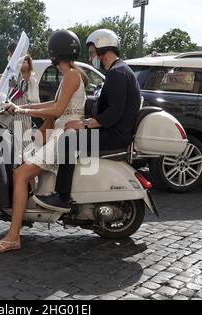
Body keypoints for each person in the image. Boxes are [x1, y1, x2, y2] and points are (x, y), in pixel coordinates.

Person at [0, 30, 88, 254]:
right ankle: (23, 212)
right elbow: (53, 103)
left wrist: (22, 109)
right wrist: (23, 108)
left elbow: (59, 110)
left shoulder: (71, 75)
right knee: (25, 160)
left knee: (20, 174)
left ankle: (13, 237)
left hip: (64, 137)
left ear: (54, 52)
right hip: (61, 134)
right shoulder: (70, 74)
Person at [34, 28, 142, 213]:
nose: (92, 57)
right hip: (115, 131)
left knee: (67, 140)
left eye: (92, 53)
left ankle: (62, 197)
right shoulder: (120, 71)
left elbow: (113, 113)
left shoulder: (117, 73)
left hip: (114, 135)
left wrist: (84, 124)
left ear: (103, 49)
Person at [9, 54, 40, 164]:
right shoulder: (16, 76)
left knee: (26, 135)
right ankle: (18, 161)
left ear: (29, 63)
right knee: (16, 136)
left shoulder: (32, 77)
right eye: (21, 62)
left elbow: (34, 95)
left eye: (25, 62)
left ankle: (27, 158)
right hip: (17, 108)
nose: (23, 64)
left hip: (27, 109)